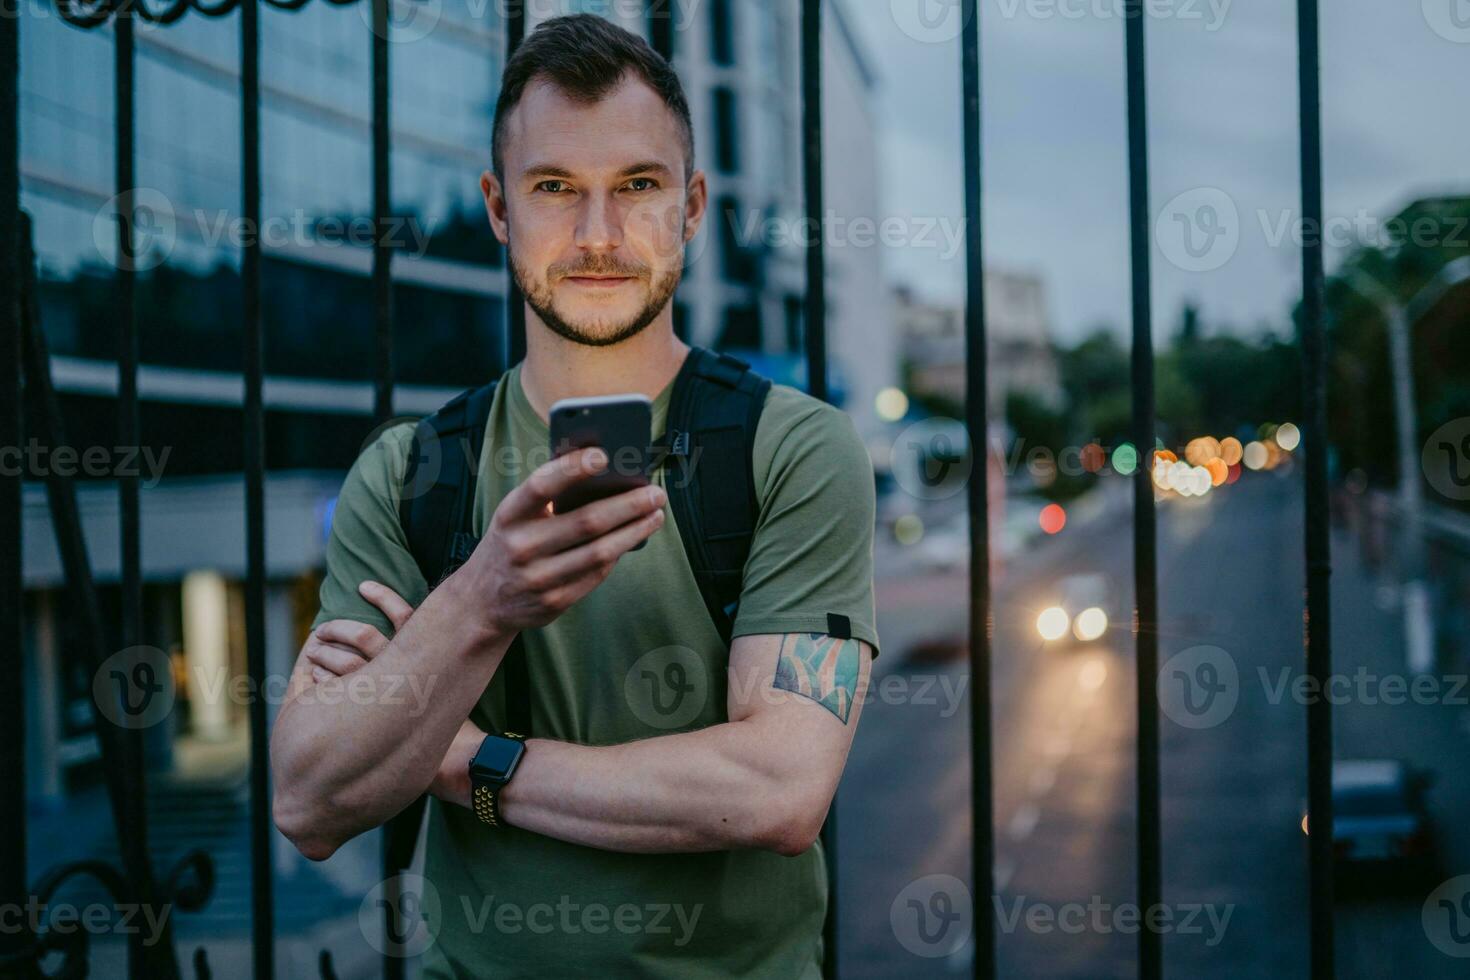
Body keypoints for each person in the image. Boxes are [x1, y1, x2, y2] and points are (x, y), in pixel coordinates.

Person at [270, 14, 879, 978]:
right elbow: (308, 804)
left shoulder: (791, 446)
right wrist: (481, 601)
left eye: (637, 186)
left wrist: (466, 757)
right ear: (500, 208)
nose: (598, 236)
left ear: (690, 207)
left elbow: (778, 792)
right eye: (555, 189)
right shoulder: (407, 471)